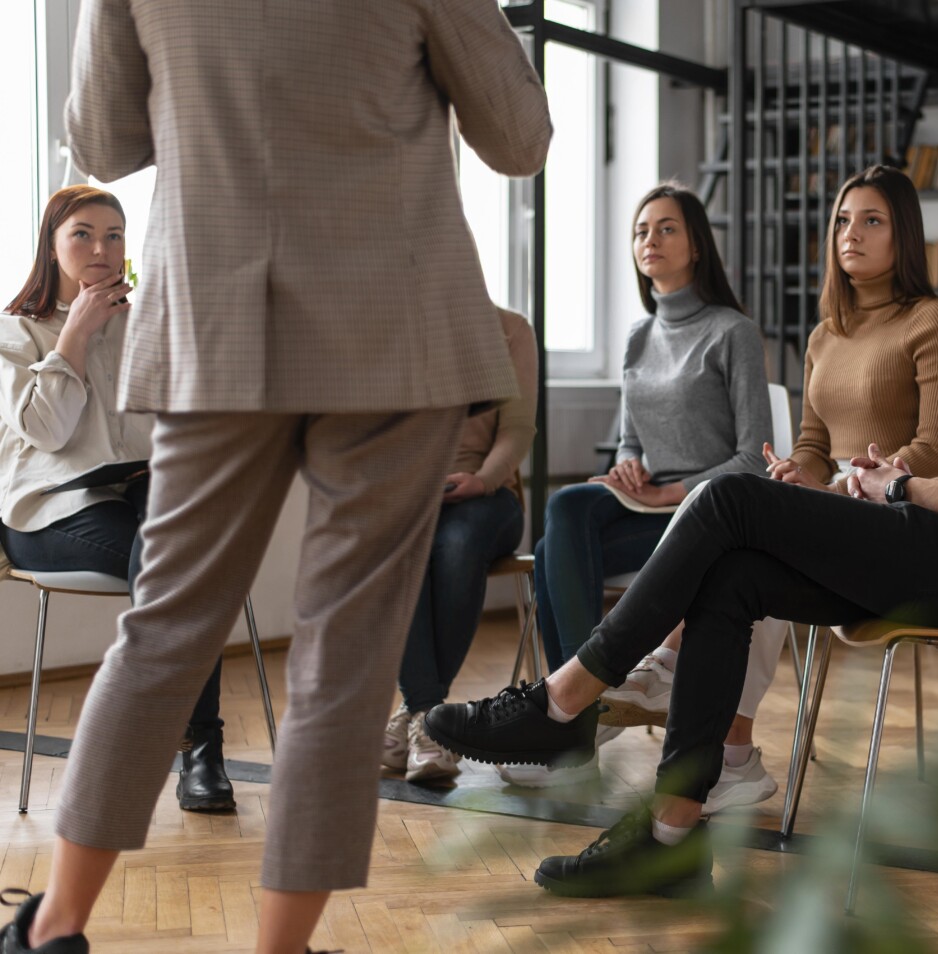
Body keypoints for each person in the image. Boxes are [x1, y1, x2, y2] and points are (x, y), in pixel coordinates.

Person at [425, 110, 938, 898]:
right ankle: (669, 837)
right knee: (734, 575)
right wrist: (899, 485)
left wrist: (907, 487)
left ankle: (563, 700)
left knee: (728, 504)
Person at [0, 2, 550, 953]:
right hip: (392, 331)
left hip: (211, 325)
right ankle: (279, 949)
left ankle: (52, 928)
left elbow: (100, 135)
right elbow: (519, 139)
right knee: (343, 663)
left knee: (165, 626)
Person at [599, 165, 938, 815]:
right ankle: (733, 755)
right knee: (750, 553)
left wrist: (832, 486)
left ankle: (669, 673)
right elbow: (811, 441)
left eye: (872, 220)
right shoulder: (827, 335)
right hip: (835, 517)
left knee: (753, 531)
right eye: (841, 221)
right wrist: (799, 472)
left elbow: (935, 451)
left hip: (903, 525)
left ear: (903, 235)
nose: (850, 234)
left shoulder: (933, 322)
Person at [505, 182, 773, 788]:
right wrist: (629, 466)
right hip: (646, 504)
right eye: (640, 231)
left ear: (697, 244)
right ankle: (584, 708)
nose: (649, 239)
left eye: (666, 228)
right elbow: (630, 439)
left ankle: (572, 721)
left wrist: (669, 494)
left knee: (558, 531)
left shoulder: (732, 333)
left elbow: (752, 461)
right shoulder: (637, 336)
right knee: (565, 518)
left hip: (705, 515)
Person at [0, 185, 236, 814]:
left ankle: (178, 740)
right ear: (52, 245)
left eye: (113, 235)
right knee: (184, 568)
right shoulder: (16, 331)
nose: (100, 249)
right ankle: (196, 746)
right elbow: (46, 432)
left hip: (143, 496)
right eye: (82, 234)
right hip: (51, 511)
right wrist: (75, 330)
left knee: (184, 550)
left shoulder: (150, 325)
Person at [381, 306, 537, 782]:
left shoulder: (510, 330)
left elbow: (517, 427)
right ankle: (430, 718)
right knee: (394, 546)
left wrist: (483, 479)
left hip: (489, 498)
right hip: (416, 498)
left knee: (459, 541)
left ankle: (419, 714)